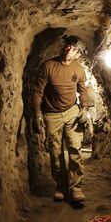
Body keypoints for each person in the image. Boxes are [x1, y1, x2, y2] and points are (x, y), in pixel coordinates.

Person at [32, 35, 91, 202]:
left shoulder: (78, 69)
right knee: (55, 152)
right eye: (68, 46)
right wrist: (36, 114)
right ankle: (61, 186)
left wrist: (84, 108)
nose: (69, 50)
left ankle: (76, 188)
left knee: (75, 148)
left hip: (72, 112)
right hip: (51, 114)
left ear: (78, 54)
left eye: (74, 49)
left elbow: (82, 90)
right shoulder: (48, 66)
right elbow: (38, 91)